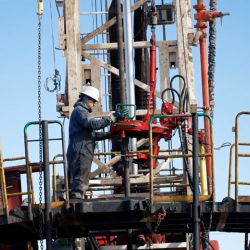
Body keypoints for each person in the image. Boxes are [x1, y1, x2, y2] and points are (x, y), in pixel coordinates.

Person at [67, 85, 117, 199]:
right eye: (93, 101)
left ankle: (77, 198)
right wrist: (110, 118)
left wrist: (109, 135)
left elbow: (93, 135)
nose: (94, 105)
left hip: (83, 150)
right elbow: (92, 125)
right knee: (80, 180)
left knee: (81, 179)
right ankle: (77, 201)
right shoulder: (80, 111)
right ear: (86, 99)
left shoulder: (80, 112)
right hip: (81, 151)